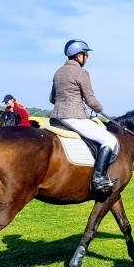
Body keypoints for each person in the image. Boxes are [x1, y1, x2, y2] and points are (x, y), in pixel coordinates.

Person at [50, 39, 119, 192]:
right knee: (109, 140)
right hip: (74, 117)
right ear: (78, 55)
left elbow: (51, 98)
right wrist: (100, 109)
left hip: (56, 117)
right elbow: (90, 100)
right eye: (85, 54)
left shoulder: (58, 72)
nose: (87, 57)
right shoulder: (81, 72)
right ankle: (99, 178)